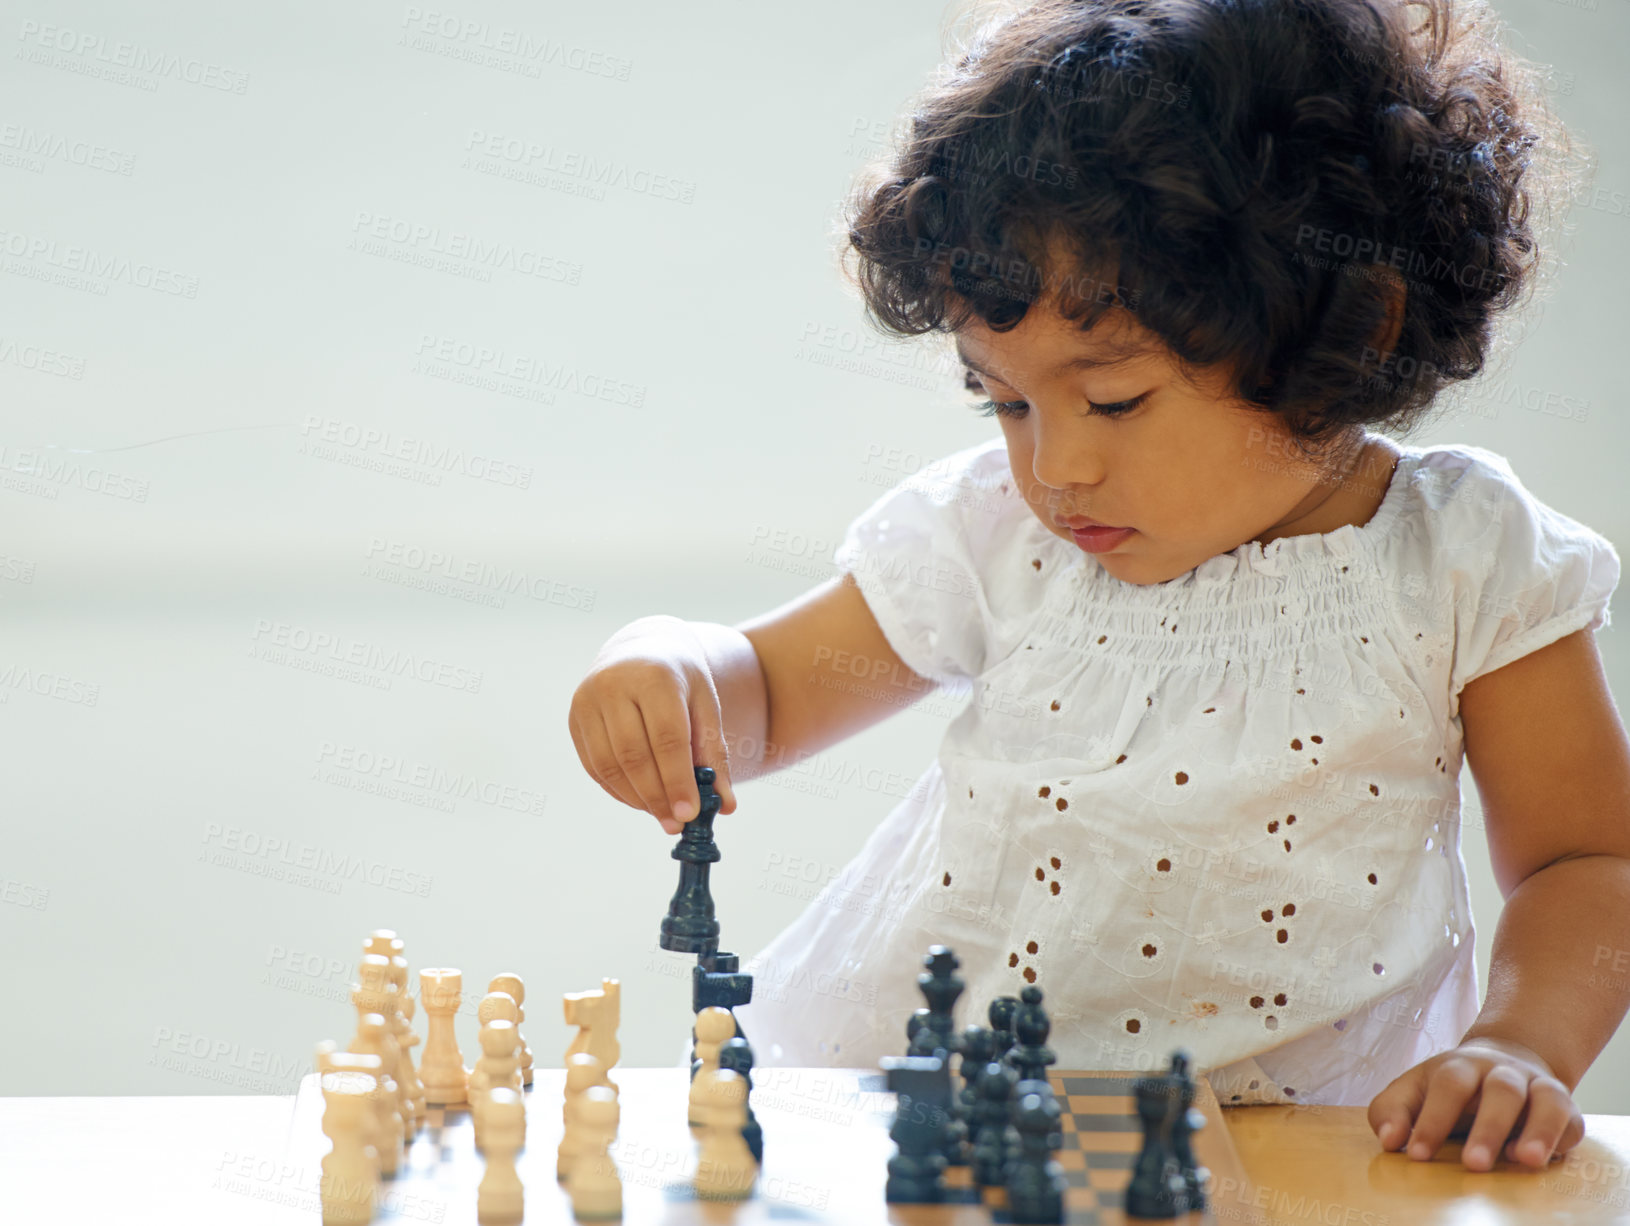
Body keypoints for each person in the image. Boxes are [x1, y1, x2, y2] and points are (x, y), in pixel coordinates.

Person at [568, 0, 1627, 1174]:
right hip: (949, 1125)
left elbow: (1588, 862)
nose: (1054, 466)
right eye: (1003, 400)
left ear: (1344, 335)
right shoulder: (995, 532)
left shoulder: (1466, 559)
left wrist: (1522, 1043)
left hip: (1289, 1154)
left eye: (1113, 399)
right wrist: (670, 663)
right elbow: (763, 689)